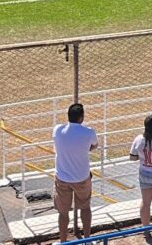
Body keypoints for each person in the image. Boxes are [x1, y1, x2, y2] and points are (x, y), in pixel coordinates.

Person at [53, 103, 98, 243]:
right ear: (81, 117)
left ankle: (63, 241)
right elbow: (94, 145)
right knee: (85, 208)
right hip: (82, 177)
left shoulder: (57, 130)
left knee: (63, 211)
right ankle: (87, 239)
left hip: (62, 178)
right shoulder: (89, 132)